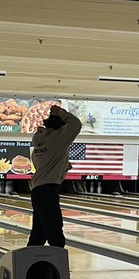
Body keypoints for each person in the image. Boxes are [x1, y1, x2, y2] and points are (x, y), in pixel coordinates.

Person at [27, 104, 82, 249]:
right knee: (55, 234)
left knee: (38, 235)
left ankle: (29, 262)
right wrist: (61, 112)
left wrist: (63, 166)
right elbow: (76, 124)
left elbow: (45, 165)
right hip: (48, 190)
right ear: (61, 126)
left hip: (38, 190)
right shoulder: (58, 138)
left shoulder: (39, 143)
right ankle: (58, 262)